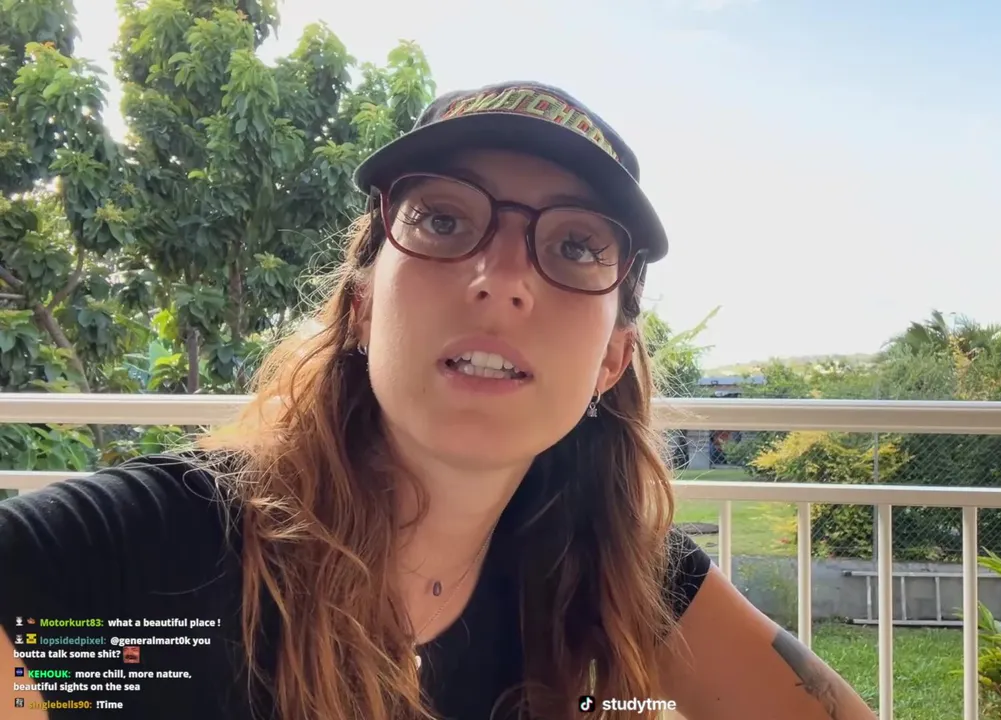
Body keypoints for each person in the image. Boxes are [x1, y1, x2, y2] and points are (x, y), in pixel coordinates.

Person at [0, 82, 877, 720]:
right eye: (445, 220)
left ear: (612, 360)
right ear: (361, 307)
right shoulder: (164, 557)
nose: (502, 280)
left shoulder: (605, 564)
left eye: (576, 246)